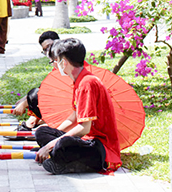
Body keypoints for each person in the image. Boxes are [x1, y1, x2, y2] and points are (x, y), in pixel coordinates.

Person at [35, 38, 121, 174]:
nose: (55, 65)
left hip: (100, 147)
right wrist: (55, 135)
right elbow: (75, 115)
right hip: (85, 140)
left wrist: (51, 144)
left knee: (63, 144)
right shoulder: (79, 80)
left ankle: (63, 160)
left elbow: (84, 128)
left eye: (56, 61)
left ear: (64, 62)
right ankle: (61, 157)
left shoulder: (87, 83)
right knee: (42, 131)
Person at [12, 31, 61, 129]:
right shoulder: (56, 63)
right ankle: (34, 123)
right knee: (33, 95)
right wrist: (26, 99)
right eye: (45, 50)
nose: (48, 51)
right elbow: (48, 85)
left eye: (49, 46)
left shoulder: (66, 62)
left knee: (35, 95)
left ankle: (34, 123)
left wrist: (26, 103)